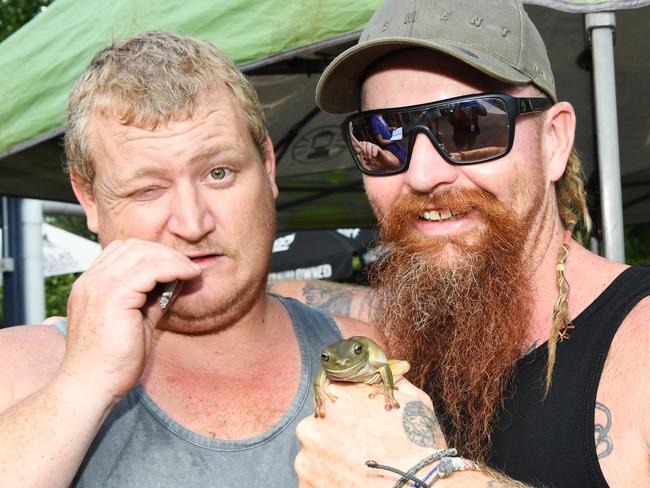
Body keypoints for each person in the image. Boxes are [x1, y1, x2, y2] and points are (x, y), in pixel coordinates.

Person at [271, 0, 650, 486]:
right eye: (384, 134)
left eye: (470, 125)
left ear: (554, 141)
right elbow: (280, 300)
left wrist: (418, 478)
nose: (423, 175)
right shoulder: (407, 331)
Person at [0, 31, 373, 487]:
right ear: (90, 201)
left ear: (268, 167)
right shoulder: (17, 372)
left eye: (218, 173)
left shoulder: (372, 356)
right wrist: (82, 382)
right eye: (147, 189)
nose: (193, 223)